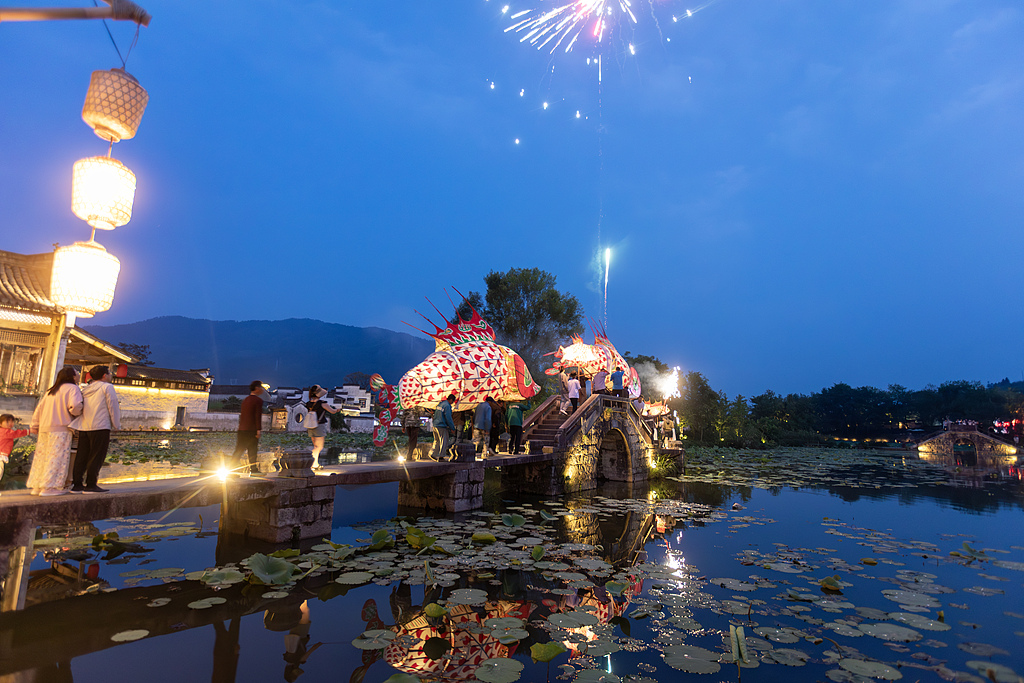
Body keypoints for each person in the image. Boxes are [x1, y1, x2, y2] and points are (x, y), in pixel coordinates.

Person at [28, 367, 84, 496]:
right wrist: (77, 413)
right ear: (72, 376)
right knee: (57, 457)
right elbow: (75, 406)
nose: (78, 375)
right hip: (60, 428)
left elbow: (38, 409)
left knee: (42, 457)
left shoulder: (51, 391)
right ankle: (50, 487)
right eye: (77, 373)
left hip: (44, 428)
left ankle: (37, 486)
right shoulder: (72, 388)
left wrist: (34, 425)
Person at [71, 365, 121, 494]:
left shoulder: (86, 389)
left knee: (82, 455)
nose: (111, 375)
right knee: (97, 455)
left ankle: (77, 484)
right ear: (105, 375)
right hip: (100, 425)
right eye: (110, 373)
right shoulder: (107, 387)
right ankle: (91, 484)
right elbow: (113, 406)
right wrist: (116, 425)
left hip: (84, 426)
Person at [233, 380, 267, 475]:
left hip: (242, 429)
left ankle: (231, 469)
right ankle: (254, 470)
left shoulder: (245, 400)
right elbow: (257, 416)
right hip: (251, 430)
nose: (262, 390)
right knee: (252, 450)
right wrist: (258, 430)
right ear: (257, 388)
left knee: (238, 450)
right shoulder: (258, 401)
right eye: (261, 388)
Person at [305, 385, 341, 470]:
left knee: (315, 446)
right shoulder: (322, 403)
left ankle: (315, 464)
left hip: (310, 426)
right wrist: (337, 410)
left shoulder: (308, 404)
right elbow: (332, 411)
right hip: (319, 425)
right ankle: (312, 463)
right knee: (319, 447)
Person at [0, 413, 29, 494]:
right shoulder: (5, 432)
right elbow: (16, 434)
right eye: (7, 422)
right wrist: (29, 431)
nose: (11, 423)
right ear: (0, 423)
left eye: (12, 421)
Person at [432, 394, 457, 461]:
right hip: (442, 425)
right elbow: (448, 418)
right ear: (451, 400)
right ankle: (441, 456)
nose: (452, 403)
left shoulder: (440, 404)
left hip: (435, 424)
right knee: (444, 441)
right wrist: (452, 428)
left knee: (437, 441)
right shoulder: (447, 406)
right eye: (453, 401)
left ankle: (433, 454)